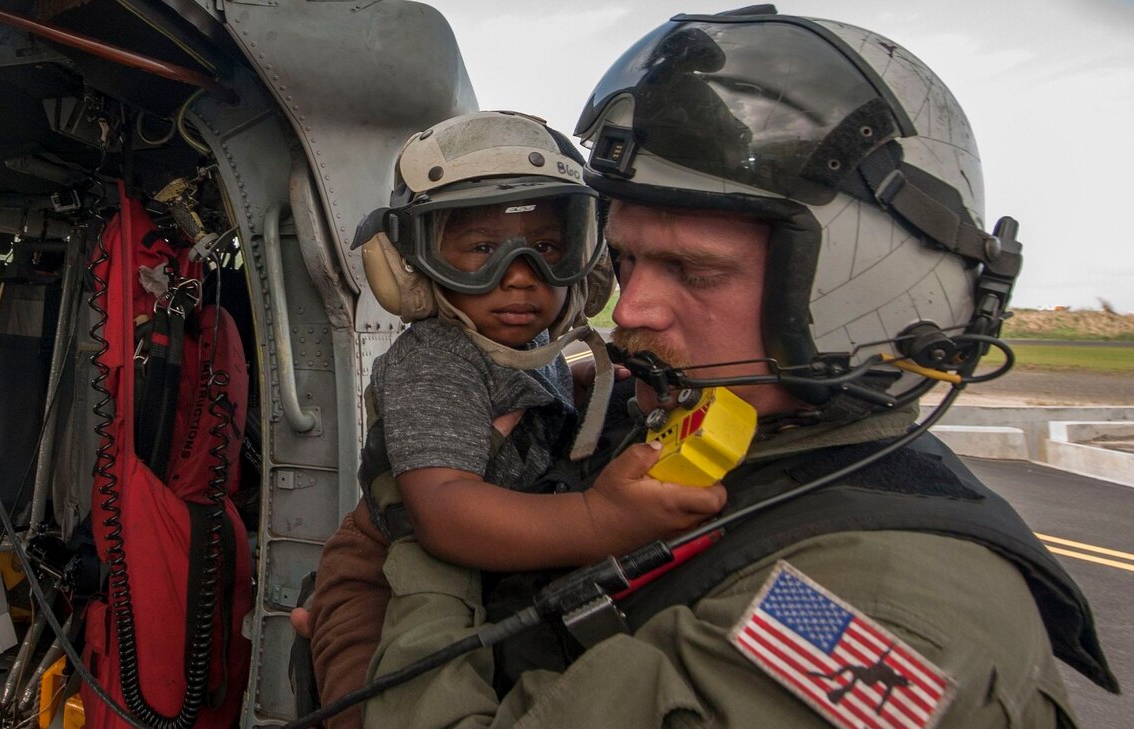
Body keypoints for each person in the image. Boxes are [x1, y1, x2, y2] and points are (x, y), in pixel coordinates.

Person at [358, 8, 1119, 729]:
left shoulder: (879, 620)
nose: (629, 311)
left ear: (853, 296)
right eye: (625, 259)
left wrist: (406, 571)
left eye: (694, 269)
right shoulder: (713, 428)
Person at [303, 110, 726, 729]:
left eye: (548, 249)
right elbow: (444, 515)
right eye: (481, 250)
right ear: (413, 266)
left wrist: (589, 377)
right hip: (377, 574)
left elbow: (536, 377)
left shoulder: (526, 345)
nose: (522, 278)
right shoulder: (438, 362)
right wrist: (601, 520)